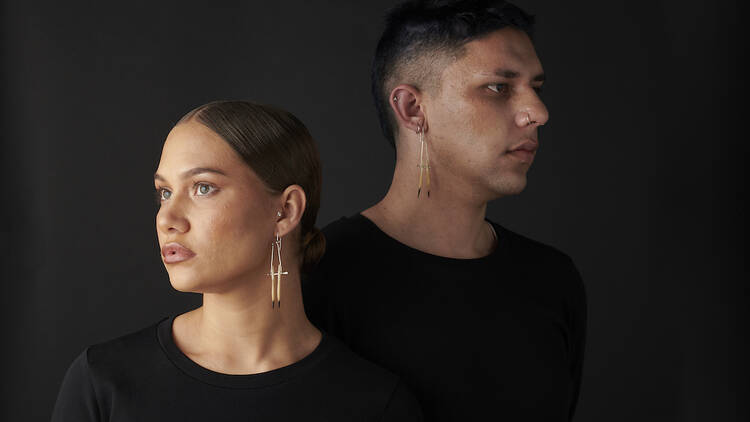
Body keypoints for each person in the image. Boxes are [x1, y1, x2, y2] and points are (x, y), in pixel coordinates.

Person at [51, 101, 423, 421]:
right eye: (164, 193)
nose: (167, 218)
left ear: (285, 211)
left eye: (203, 187)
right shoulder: (104, 381)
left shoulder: (373, 404)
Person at [303, 1, 586, 421]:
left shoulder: (552, 281)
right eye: (499, 88)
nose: (538, 113)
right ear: (413, 109)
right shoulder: (317, 279)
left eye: (536, 88)